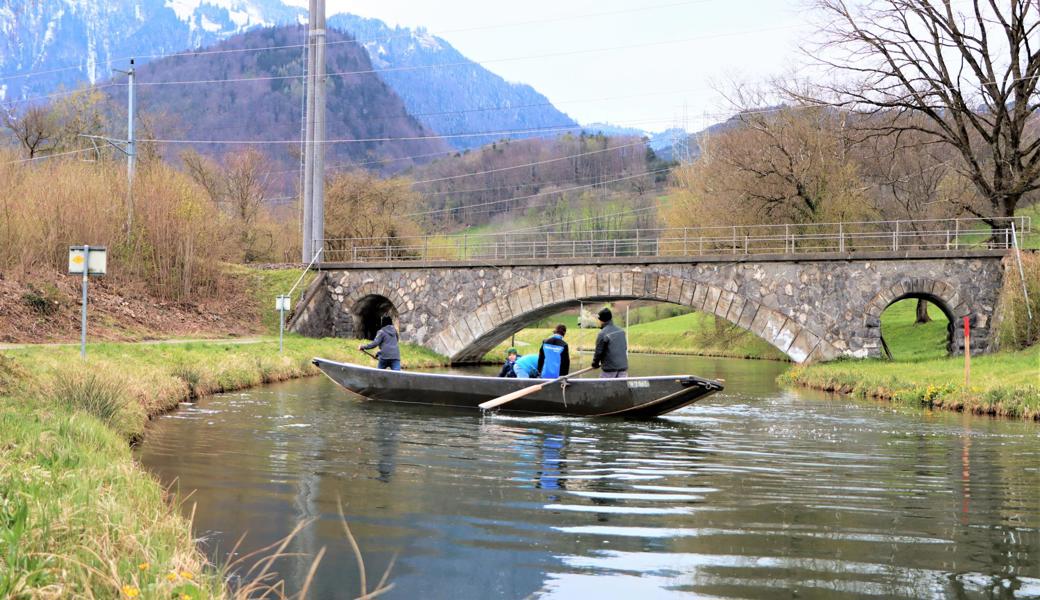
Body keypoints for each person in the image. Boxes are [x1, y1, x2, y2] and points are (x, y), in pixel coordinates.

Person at [591, 307, 628, 378]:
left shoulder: (602, 333)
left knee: (604, 388)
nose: (598, 321)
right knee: (621, 388)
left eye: (599, 319)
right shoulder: (621, 331)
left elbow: (598, 352)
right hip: (623, 370)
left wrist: (595, 364)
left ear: (602, 320)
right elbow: (624, 348)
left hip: (609, 371)